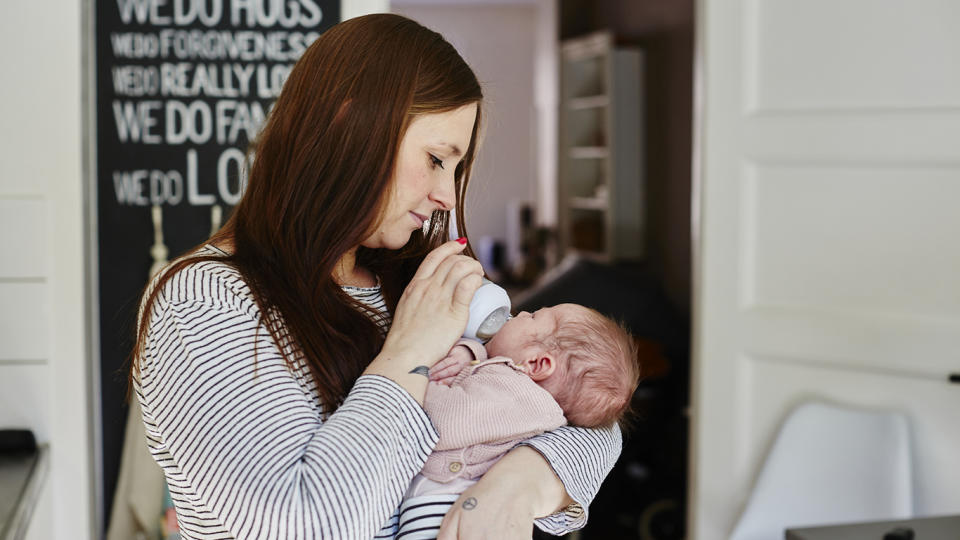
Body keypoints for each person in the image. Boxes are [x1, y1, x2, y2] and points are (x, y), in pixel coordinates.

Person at [130, 13, 621, 540]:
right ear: (349, 123)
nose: (447, 197)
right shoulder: (207, 302)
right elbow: (300, 526)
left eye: (454, 169)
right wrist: (408, 353)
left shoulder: (409, 276)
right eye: (435, 159)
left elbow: (585, 407)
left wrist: (519, 482)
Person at [397, 304, 639, 537]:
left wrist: (418, 376)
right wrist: (469, 352)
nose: (520, 312)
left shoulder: (518, 395)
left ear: (536, 363)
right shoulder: (519, 393)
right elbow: (483, 367)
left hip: (442, 509)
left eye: (533, 316)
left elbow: (444, 423)